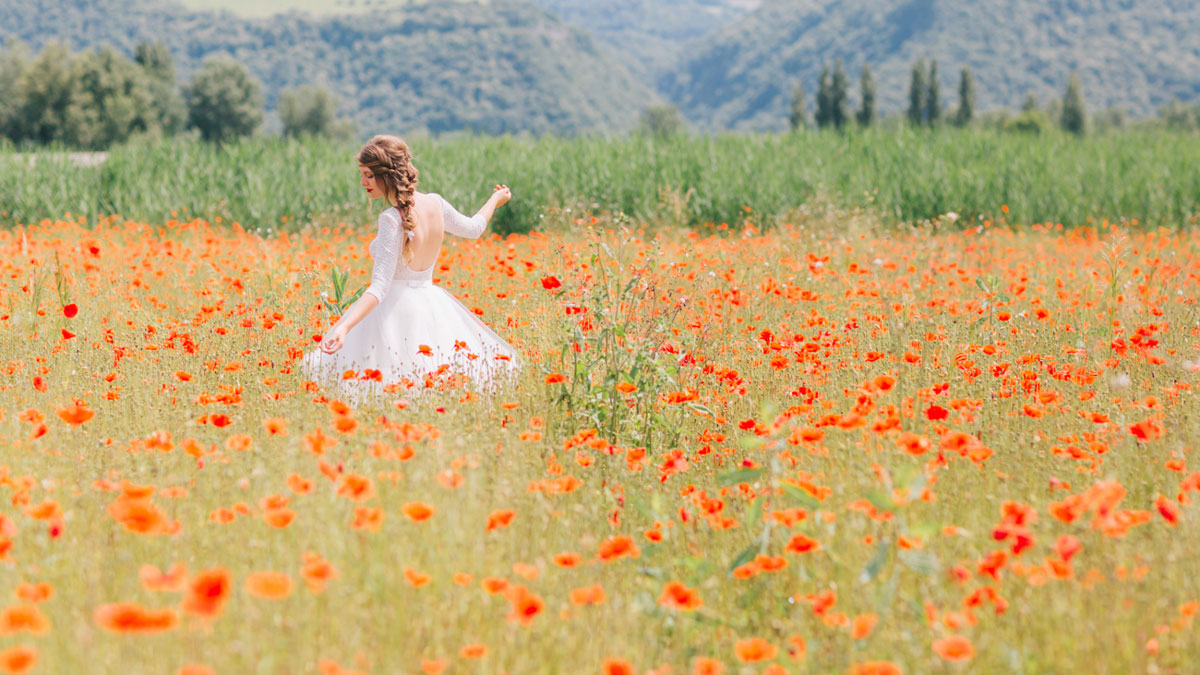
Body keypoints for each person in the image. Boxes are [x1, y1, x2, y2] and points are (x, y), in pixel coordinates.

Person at [303, 134, 519, 395]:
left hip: (394, 312)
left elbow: (379, 287)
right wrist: (495, 199)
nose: (363, 183)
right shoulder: (436, 204)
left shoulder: (391, 219)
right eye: (361, 175)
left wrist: (344, 327)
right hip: (431, 304)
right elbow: (474, 228)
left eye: (368, 175)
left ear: (388, 174)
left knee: (387, 386)